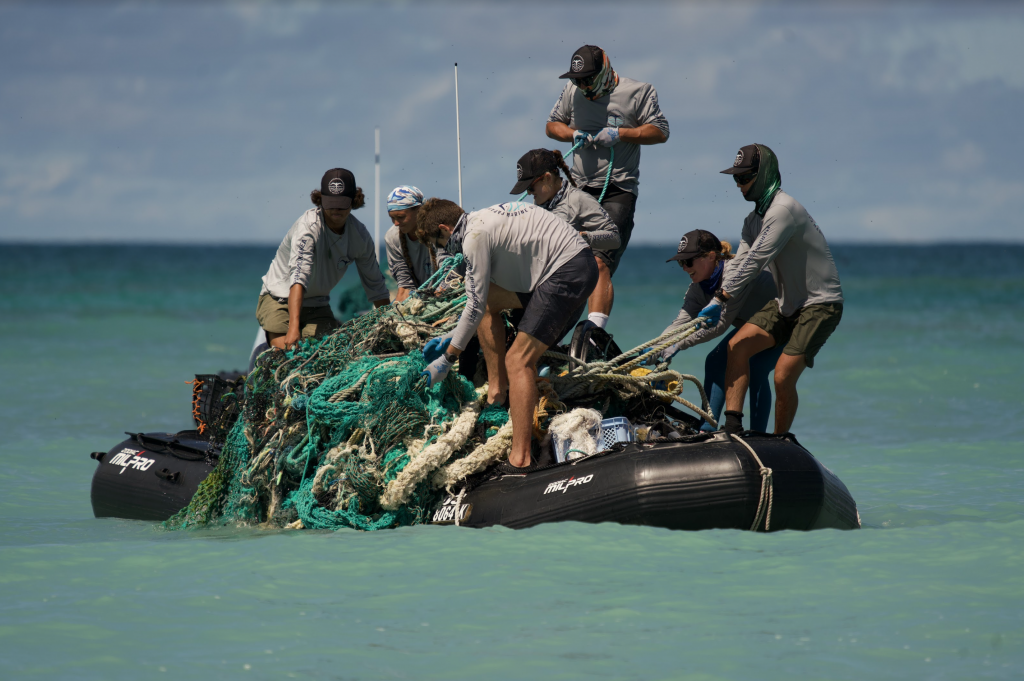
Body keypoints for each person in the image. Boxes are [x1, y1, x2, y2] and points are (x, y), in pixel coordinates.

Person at [415, 199, 597, 469]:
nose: (443, 250)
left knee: (518, 361)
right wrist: (454, 334)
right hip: (562, 269)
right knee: (490, 301)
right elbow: (478, 301)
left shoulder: (474, 237)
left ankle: (520, 459)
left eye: (439, 243)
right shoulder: (479, 221)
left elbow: (473, 307)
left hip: (567, 272)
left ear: (444, 228)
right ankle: (497, 393)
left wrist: (447, 359)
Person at [699, 145, 844, 434]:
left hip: (820, 303)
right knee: (736, 346)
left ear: (764, 174)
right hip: (785, 303)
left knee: (782, 375)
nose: (739, 185)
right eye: (736, 179)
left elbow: (755, 261)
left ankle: (780, 442)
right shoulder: (752, 222)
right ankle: (732, 427)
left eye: (745, 177)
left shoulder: (783, 211)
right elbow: (739, 264)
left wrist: (721, 297)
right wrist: (719, 299)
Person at [545, 44, 669, 327]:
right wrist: (573, 134)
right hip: (578, 190)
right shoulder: (572, 91)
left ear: (603, 72)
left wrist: (621, 134)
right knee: (560, 261)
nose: (581, 85)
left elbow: (660, 131)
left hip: (617, 190)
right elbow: (552, 125)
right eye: (577, 80)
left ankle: (594, 331)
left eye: (586, 79)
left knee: (599, 261)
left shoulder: (639, 91)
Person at [649, 229, 780, 432]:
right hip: (754, 326)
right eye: (681, 262)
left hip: (788, 319)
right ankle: (707, 428)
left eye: (688, 261)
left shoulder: (734, 274)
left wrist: (678, 344)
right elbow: (680, 324)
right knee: (715, 361)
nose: (685, 268)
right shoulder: (698, 288)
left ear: (711, 256)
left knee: (756, 369)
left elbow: (720, 325)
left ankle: (758, 435)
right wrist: (656, 348)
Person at [256, 168, 391, 350]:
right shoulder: (308, 228)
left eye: (341, 204)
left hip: (317, 303)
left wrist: (389, 325)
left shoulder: (359, 235)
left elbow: (376, 286)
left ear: (354, 201)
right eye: (331, 203)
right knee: (289, 354)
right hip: (279, 297)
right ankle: (266, 349)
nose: (336, 209)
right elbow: (298, 279)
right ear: (320, 200)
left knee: (327, 352)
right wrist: (293, 329)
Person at [511, 148, 620, 328]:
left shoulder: (579, 200)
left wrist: (582, 237)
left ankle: (594, 330)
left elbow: (614, 238)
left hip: (563, 288)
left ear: (547, 178)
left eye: (530, 187)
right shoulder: (538, 203)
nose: (529, 193)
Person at [383, 185, 444, 302]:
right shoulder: (392, 238)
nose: (396, 223)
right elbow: (405, 285)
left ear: (419, 210)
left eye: (401, 217)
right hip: (418, 299)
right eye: (392, 218)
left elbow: (449, 273)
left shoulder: (438, 231)